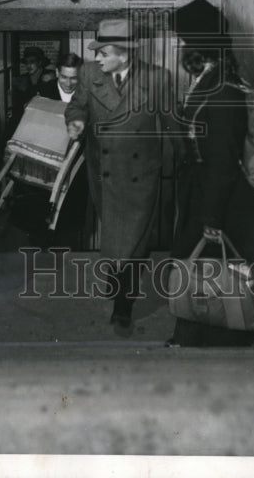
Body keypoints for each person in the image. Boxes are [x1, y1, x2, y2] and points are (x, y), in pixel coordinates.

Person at [65, 18, 175, 333]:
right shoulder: (89, 74)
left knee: (134, 243)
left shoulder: (157, 79)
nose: (96, 58)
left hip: (141, 173)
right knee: (115, 236)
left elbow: (172, 124)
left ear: (124, 55)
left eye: (103, 53)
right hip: (103, 169)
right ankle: (117, 281)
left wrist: (188, 158)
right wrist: (75, 122)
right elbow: (77, 107)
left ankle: (123, 307)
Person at [167, 43, 254, 348]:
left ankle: (213, 340)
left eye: (188, 46)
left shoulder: (224, 92)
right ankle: (190, 336)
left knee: (219, 275)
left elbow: (223, 159)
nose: (183, 52)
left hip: (222, 201)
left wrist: (211, 217)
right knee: (201, 270)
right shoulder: (212, 82)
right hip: (207, 193)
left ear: (205, 54)